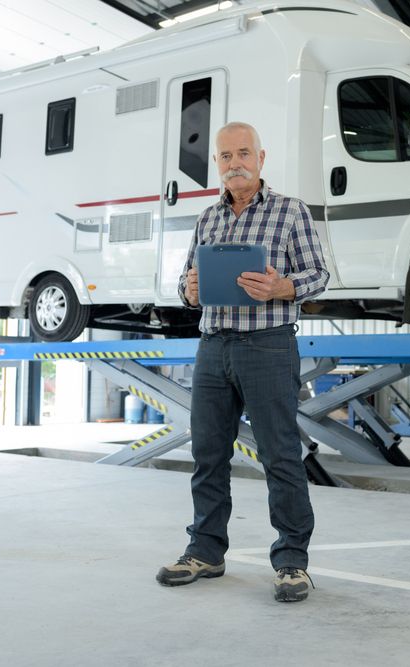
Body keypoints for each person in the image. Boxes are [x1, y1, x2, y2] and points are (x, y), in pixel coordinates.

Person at [156, 122, 329, 602]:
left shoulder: (291, 212)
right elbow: (186, 283)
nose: (235, 163)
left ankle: (293, 562)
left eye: (244, 153)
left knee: (280, 456)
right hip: (213, 348)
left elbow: (320, 274)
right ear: (217, 163)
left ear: (261, 157)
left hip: (268, 346)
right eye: (226, 156)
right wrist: (187, 291)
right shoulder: (207, 220)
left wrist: (283, 287)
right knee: (208, 456)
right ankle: (205, 551)